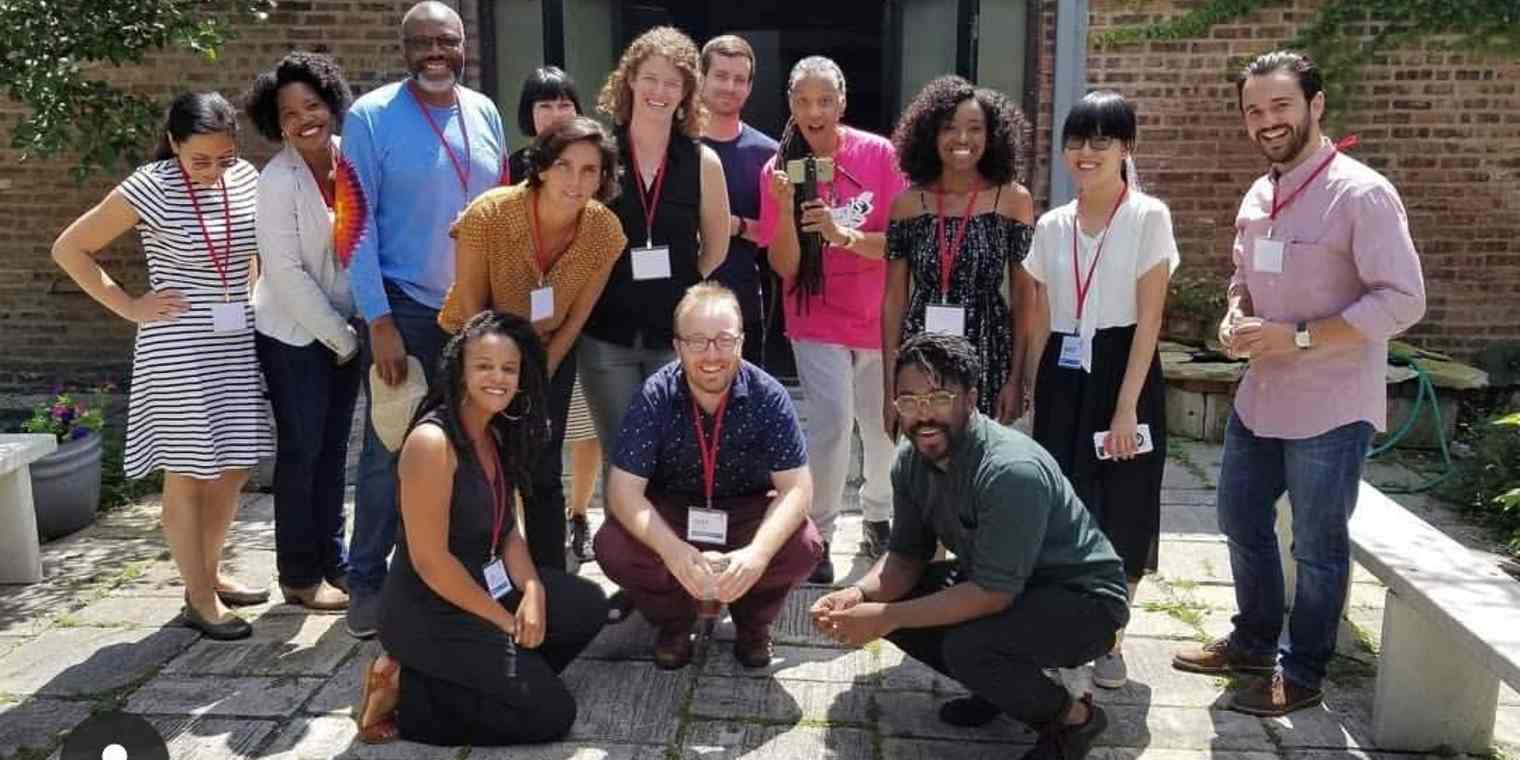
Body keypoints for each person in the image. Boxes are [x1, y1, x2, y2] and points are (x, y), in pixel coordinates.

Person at [1172, 50, 1426, 716]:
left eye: (1280, 105)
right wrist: (1235, 313)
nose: (1267, 121)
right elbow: (1242, 277)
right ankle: (1254, 639)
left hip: (1332, 404)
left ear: (1315, 106)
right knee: (1238, 517)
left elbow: (1402, 301)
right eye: (1254, 110)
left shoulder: (1363, 193)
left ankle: (1304, 668)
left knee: (1317, 544)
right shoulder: (1261, 193)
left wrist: (1304, 336)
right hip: (1261, 396)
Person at [810, 333, 1127, 760]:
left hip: (1083, 601)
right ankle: (1000, 688)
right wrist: (859, 595)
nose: (923, 416)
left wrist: (882, 617)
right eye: (908, 401)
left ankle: (1073, 719)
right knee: (908, 603)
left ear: (971, 398)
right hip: (1005, 583)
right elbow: (905, 555)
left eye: (938, 398)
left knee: (967, 644)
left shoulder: (1010, 471)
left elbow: (994, 593)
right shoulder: (910, 459)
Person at [51, 92, 273, 640]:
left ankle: (210, 572)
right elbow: (70, 249)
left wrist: (252, 288)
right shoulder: (148, 187)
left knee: (234, 463)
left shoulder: (245, 177)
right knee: (192, 469)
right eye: (199, 160)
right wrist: (131, 306)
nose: (212, 171)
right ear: (174, 143)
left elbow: (252, 246)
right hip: (178, 347)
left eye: (223, 158)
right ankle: (198, 599)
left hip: (234, 340)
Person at [354, 311, 609, 745]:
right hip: (428, 608)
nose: (499, 378)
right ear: (459, 372)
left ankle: (483, 678)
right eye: (484, 367)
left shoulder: (495, 431)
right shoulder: (431, 443)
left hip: (484, 584)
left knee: (586, 605)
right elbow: (431, 562)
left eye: (509, 369)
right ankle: (410, 694)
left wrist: (532, 590)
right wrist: (505, 623)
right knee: (552, 714)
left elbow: (507, 530)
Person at [341, 0, 509, 638]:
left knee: (471, 445)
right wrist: (376, 318)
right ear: (403, 48)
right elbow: (352, 225)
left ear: (464, 46)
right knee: (390, 448)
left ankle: (452, 570)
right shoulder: (371, 116)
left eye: (448, 41)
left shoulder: (484, 110)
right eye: (423, 43)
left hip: (476, 312)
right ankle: (366, 579)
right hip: (406, 310)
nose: (436, 54)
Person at [1021, 90, 1178, 690]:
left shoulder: (1148, 217)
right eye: (1077, 141)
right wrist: (1033, 392)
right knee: (1065, 504)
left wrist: (1126, 404)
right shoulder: (1052, 224)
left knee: (1126, 504)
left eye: (1102, 141)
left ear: (1126, 148)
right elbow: (1040, 316)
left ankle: (1111, 634)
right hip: (1064, 369)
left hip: (1122, 369)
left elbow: (1150, 321)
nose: (1086, 153)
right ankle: (1066, 627)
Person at [595, 283, 821, 670]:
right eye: (697, 341)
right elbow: (623, 491)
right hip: (676, 512)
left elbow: (797, 488)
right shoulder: (654, 395)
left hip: (746, 511)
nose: (711, 355)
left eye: (724, 340)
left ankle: (754, 623)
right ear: (678, 345)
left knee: (805, 544)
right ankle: (674, 621)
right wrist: (673, 550)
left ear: (742, 341)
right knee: (613, 544)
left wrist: (757, 554)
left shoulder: (769, 396)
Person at [438, 116, 627, 570]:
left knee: (541, 470)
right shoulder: (489, 214)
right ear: (541, 167)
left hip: (548, 355)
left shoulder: (604, 231)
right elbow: (471, 310)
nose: (576, 181)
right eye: (564, 165)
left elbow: (577, 318)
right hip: (474, 349)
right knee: (475, 467)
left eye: (590, 170)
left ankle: (546, 583)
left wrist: (536, 376)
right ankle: (471, 575)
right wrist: (501, 376)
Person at [756, 56, 907, 579]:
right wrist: (785, 214)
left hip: (875, 315)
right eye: (802, 101)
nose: (813, 111)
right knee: (832, 426)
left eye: (824, 100)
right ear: (791, 105)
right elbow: (785, 268)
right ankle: (817, 530)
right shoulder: (778, 168)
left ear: (842, 103)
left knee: (881, 425)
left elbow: (902, 244)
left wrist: (844, 237)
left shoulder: (880, 155)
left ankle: (880, 515)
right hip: (814, 314)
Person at [579, 26, 730, 488]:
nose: (659, 92)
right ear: (630, 81)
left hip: (675, 337)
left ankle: (668, 555)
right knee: (622, 452)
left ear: (687, 93)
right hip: (607, 335)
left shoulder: (703, 162)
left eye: (673, 82)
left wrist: (682, 284)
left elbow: (717, 245)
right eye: (650, 78)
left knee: (673, 450)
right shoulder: (599, 154)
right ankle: (625, 557)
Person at [245, 51, 358, 612]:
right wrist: (340, 337)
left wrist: (351, 329)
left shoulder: (347, 160)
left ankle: (333, 558)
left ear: (331, 103)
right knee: (302, 451)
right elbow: (284, 272)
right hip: (294, 336)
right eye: (289, 113)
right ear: (277, 121)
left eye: (312, 105)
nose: (303, 119)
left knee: (335, 450)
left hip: (344, 330)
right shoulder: (277, 181)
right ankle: (298, 573)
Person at [883, 75, 1036, 430]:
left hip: (989, 348)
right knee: (928, 453)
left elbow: (1025, 294)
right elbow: (893, 298)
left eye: (975, 128)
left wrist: (1016, 379)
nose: (962, 139)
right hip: (922, 352)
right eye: (949, 127)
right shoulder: (907, 205)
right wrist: (889, 386)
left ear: (992, 135)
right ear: (930, 135)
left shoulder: (1013, 200)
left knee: (982, 462)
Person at [503, 65, 602, 564]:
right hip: (521, 325)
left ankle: (580, 514)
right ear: (529, 114)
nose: (556, 113)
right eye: (545, 105)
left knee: (582, 429)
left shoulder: (596, 169)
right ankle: (522, 536)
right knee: (529, 439)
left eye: (565, 103)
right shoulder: (512, 167)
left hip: (580, 321)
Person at [699, 34, 779, 369]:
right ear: (701, 78)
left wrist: (735, 226)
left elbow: (779, 236)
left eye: (739, 79)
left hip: (742, 306)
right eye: (720, 76)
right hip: (680, 304)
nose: (729, 87)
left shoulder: (768, 153)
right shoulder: (673, 148)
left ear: (749, 87)